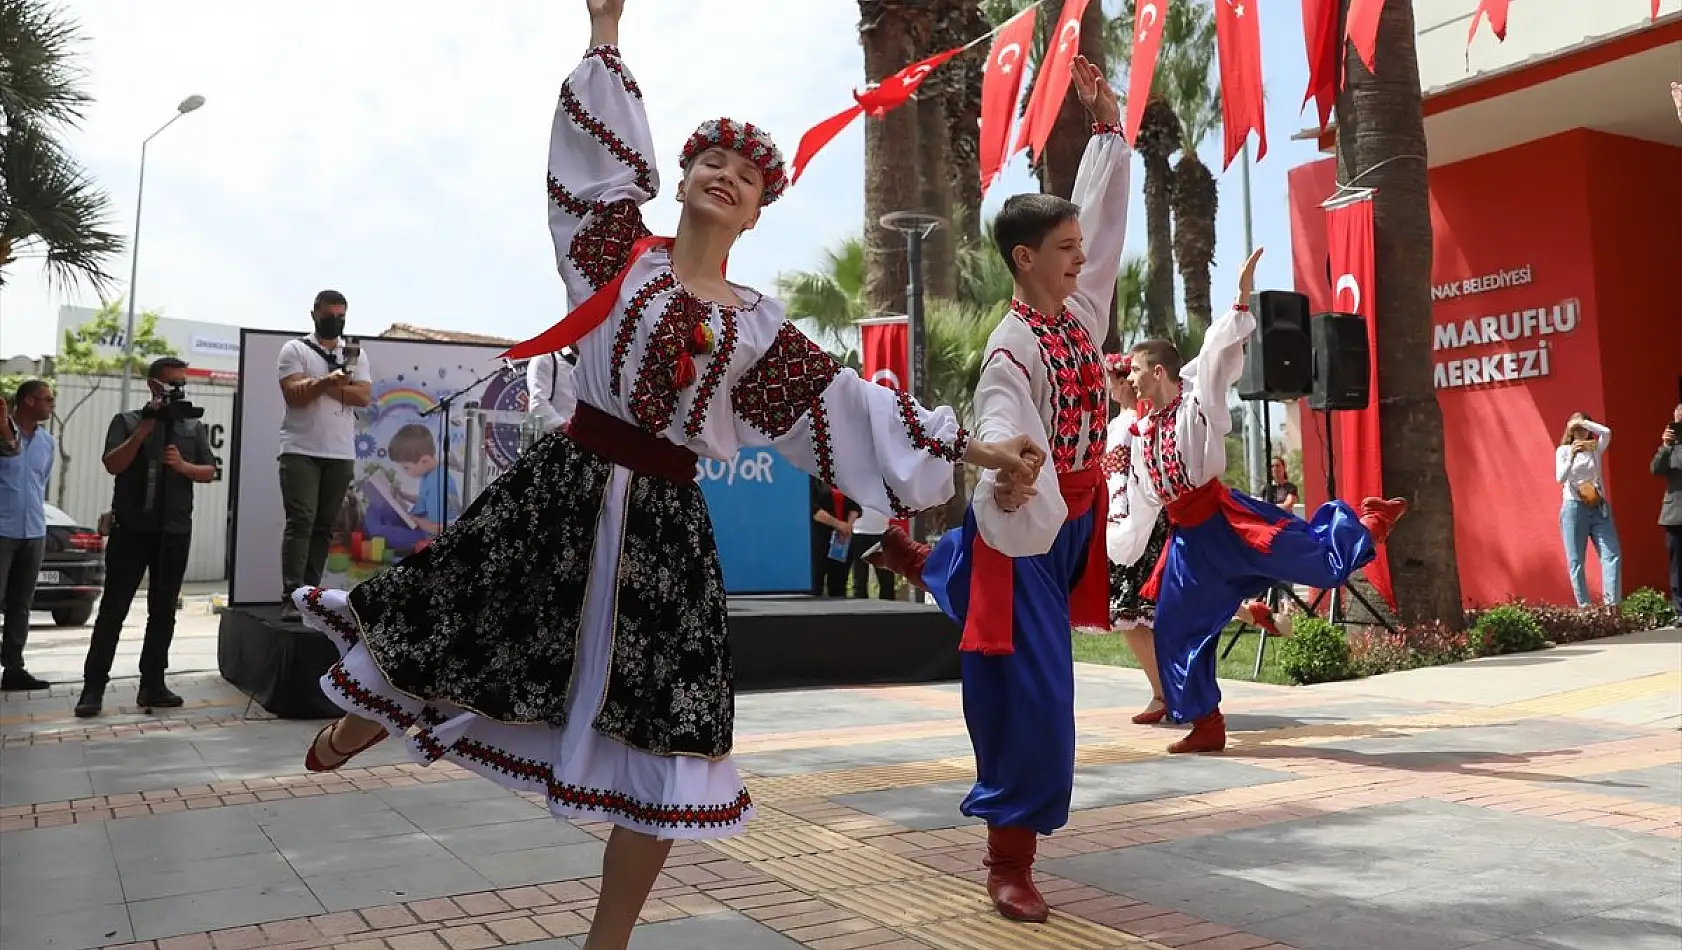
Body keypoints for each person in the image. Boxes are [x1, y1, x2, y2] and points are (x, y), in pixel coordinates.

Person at [286, 5, 1042, 948]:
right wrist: (605, 27)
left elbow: (846, 406)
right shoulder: (613, 256)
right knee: (456, 643)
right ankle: (359, 726)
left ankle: (609, 942)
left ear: (761, 211)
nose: (727, 176)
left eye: (750, 176)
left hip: (665, 529)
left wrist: (975, 449)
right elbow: (587, 169)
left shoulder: (758, 328)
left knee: (674, 737)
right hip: (561, 493)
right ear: (678, 181)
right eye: (710, 163)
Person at [864, 56, 1129, 925]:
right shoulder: (1012, 351)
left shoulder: (1078, 311)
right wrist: (1009, 471)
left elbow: (1100, 219)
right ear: (1025, 260)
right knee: (1032, 697)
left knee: (990, 607)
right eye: (1064, 253)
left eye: (1079, 252)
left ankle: (920, 559)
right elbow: (1006, 424)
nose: (1082, 260)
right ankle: (1008, 859)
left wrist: (1107, 128)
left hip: (1080, 516)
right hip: (1034, 526)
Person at [1116, 247, 1408, 756]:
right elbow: (1144, 499)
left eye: (1135, 370)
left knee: (1317, 564)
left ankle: (1367, 525)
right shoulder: (1141, 435)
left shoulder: (1194, 404)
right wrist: (1122, 540)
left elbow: (1213, 354)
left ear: (1159, 372)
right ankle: (1207, 722)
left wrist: (1241, 295)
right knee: (1173, 626)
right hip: (1189, 540)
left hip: (1227, 521)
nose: (1130, 378)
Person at [74, 359, 217, 717]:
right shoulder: (126, 421)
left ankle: (152, 684)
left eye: (183, 382)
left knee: (164, 610)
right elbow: (113, 464)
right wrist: (143, 433)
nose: (179, 388)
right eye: (172, 383)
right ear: (154, 385)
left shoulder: (192, 426)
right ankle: (93, 688)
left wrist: (183, 466)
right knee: (113, 610)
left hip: (175, 530)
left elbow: (209, 470)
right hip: (132, 530)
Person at [276, 289, 373, 620]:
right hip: (300, 449)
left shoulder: (355, 351)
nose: (336, 321)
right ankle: (292, 595)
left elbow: (363, 396)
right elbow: (295, 395)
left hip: (339, 451)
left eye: (341, 316)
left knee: (324, 526)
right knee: (301, 520)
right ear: (314, 314)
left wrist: (322, 383)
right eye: (330, 315)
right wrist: (331, 381)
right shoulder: (295, 349)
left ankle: (311, 598)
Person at [1100, 355, 1172, 724]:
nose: (1112, 386)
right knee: (1139, 615)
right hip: (1129, 522)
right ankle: (1165, 691)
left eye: (1116, 378)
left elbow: (1128, 478)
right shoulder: (1125, 423)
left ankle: (1163, 693)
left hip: (1134, 525)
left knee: (1132, 613)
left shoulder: (1131, 424)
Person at [0, 380, 56, 692]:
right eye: (47, 399)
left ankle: (14, 668)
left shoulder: (47, 442)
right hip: (2, 529)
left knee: (21, 604)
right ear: (28, 401)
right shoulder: (3, 435)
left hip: (34, 531)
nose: (51, 404)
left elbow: (40, 483)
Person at [1556, 412, 1621, 606]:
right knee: (1576, 560)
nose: (1581, 432)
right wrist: (1572, 456)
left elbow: (1607, 432)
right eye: (1576, 428)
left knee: (1612, 554)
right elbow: (1560, 478)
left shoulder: (1595, 449)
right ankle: (1585, 608)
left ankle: (1612, 608)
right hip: (1574, 507)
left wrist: (1584, 422)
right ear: (1570, 431)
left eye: (1584, 428)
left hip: (1597, 506)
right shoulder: (1564, 451)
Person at [811, 480, 860, 596]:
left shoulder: (844, 478)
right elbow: (813, 509)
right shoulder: (811, 479)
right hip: (819, 540)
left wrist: (848, 525)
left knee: (839, 587)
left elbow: (856, 506)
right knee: (816, 586)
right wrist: (838, 524)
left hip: (842, 540)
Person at [1655, 405, 1682, 615]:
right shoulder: (1669, 447)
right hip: (1675, 515)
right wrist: (1665, 445)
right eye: (1676, 422)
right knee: (1677, 567)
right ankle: (1681, 610)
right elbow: (1655, 469)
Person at [527, 347, 579, 434]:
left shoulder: (596, 364)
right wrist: (570, 431)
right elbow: (539, 406)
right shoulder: (545, 358)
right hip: (558, 440)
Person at [848, 506, 897, 599]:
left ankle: (888, 610)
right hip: (859, 532)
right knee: (860, 579)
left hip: (882, 532)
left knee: (887, 579)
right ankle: (860, 609)